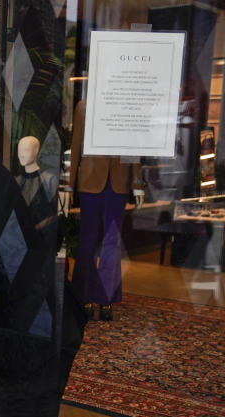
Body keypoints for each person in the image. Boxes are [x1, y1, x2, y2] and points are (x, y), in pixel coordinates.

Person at [68, 99, 144, 321]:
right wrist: (69, 183)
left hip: (118, 182)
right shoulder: (84, 106)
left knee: (112, 241)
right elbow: (75, 145)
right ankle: (84, 296)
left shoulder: (130, 105)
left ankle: (105, 298)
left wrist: (137, 184)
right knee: (87, 240)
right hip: (90, 181)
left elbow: (134, 147)